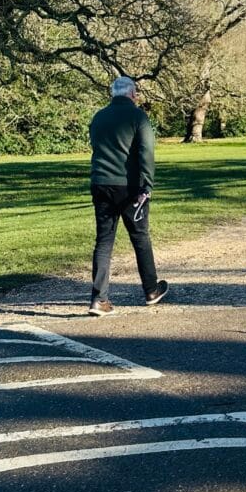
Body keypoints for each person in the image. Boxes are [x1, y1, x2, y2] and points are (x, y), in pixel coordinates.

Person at [88, 75, 168, 316]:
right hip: (130, 186)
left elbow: (96, 146)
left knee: (104, 241)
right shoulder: (138, 116)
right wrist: (147, 185)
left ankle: (99, 299)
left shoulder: (99, 117)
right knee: (140, 236)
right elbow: (146, 151)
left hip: (101, 183)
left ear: (112, 94)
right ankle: (151, 290)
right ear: (132, 94)